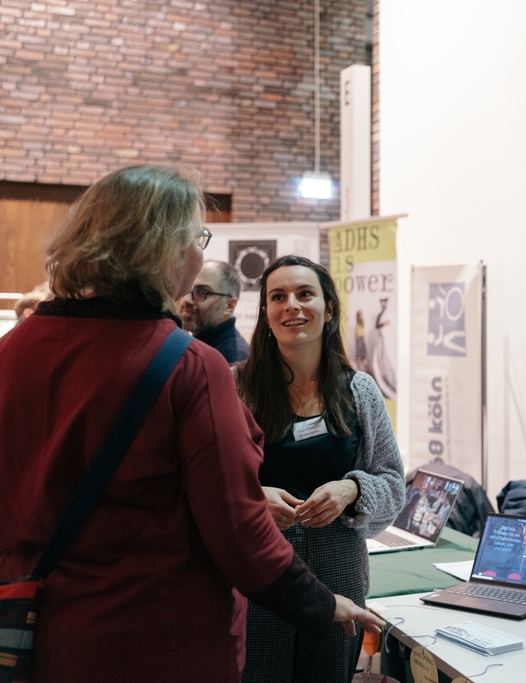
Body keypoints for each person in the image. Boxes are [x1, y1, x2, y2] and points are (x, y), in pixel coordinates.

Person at [0, 165, 382, 683]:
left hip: (31, 633)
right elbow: (238, 531)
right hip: (157, 643)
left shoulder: (12, 352)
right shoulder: (190, 367)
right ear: (164, 248)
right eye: (198, 239)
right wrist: (323, 603)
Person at [234, 254, 404, 683]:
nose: (291, 305)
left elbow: (392, 481)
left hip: (339, 573)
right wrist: (254, 497)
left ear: (328, 309)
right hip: (261, 574)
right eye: (278, 297)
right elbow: (209, 482)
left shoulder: (359, 390)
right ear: (266, 314)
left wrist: (353, 489)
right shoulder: (236, 388)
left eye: (304, 294)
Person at [179, 259, 250, 363]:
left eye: (201, 292)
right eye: (187, 289)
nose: (187, 300)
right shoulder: (200, 346)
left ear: (229, 305)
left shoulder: (233, 359)